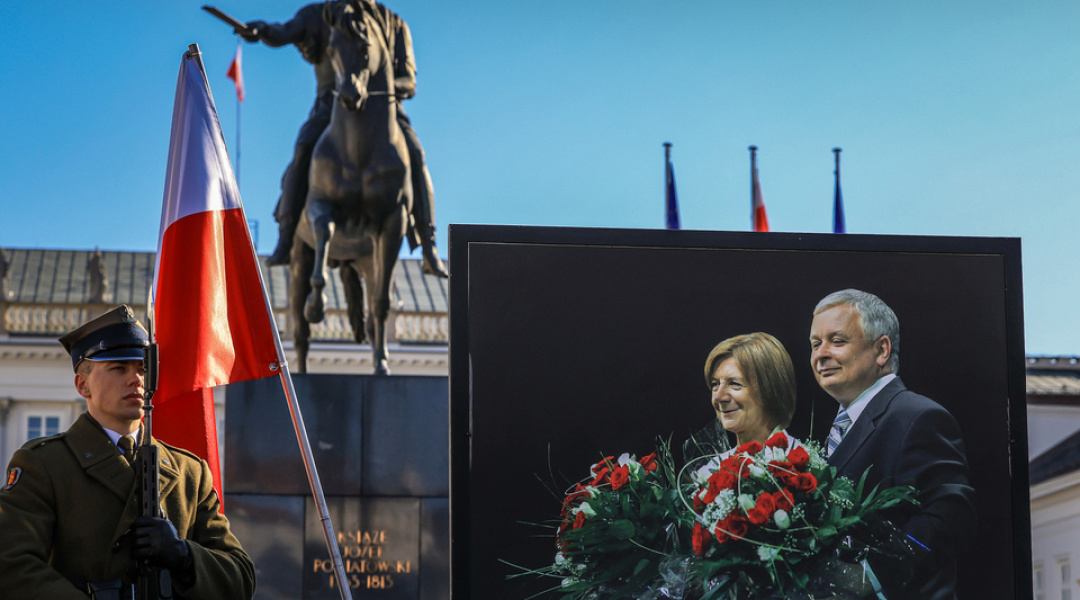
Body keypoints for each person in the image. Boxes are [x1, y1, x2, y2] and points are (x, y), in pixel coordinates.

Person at [0, 305, 256, 599]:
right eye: (118, 368)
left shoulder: (190, 473)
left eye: (142, 368)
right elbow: (11, 565)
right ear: (83, 385)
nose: (136, 379)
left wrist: (184, 555)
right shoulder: (45, 464)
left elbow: (241, 580)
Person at [242, 0, 448, 277]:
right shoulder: (317, 14)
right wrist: (263, 30)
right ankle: (287, 234)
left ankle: (428, 244)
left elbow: (409, 80)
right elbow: (284, 32)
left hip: (383, 111)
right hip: (331, 105)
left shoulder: (395, 24)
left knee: (415, 155)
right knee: (304, 147)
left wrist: (376, 88)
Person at [809, 289, 975, 600]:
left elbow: (949, 516)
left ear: (882, 350)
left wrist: (868, 575)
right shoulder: (837, 427)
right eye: (815, 344)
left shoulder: (917, 415)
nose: (821, 354)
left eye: (837, 341)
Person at [688, 333, 799, 473]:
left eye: (734, 384)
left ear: (770, 389)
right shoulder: (709, 472)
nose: (719, 397)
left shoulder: (806, 469)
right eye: (715, 384)